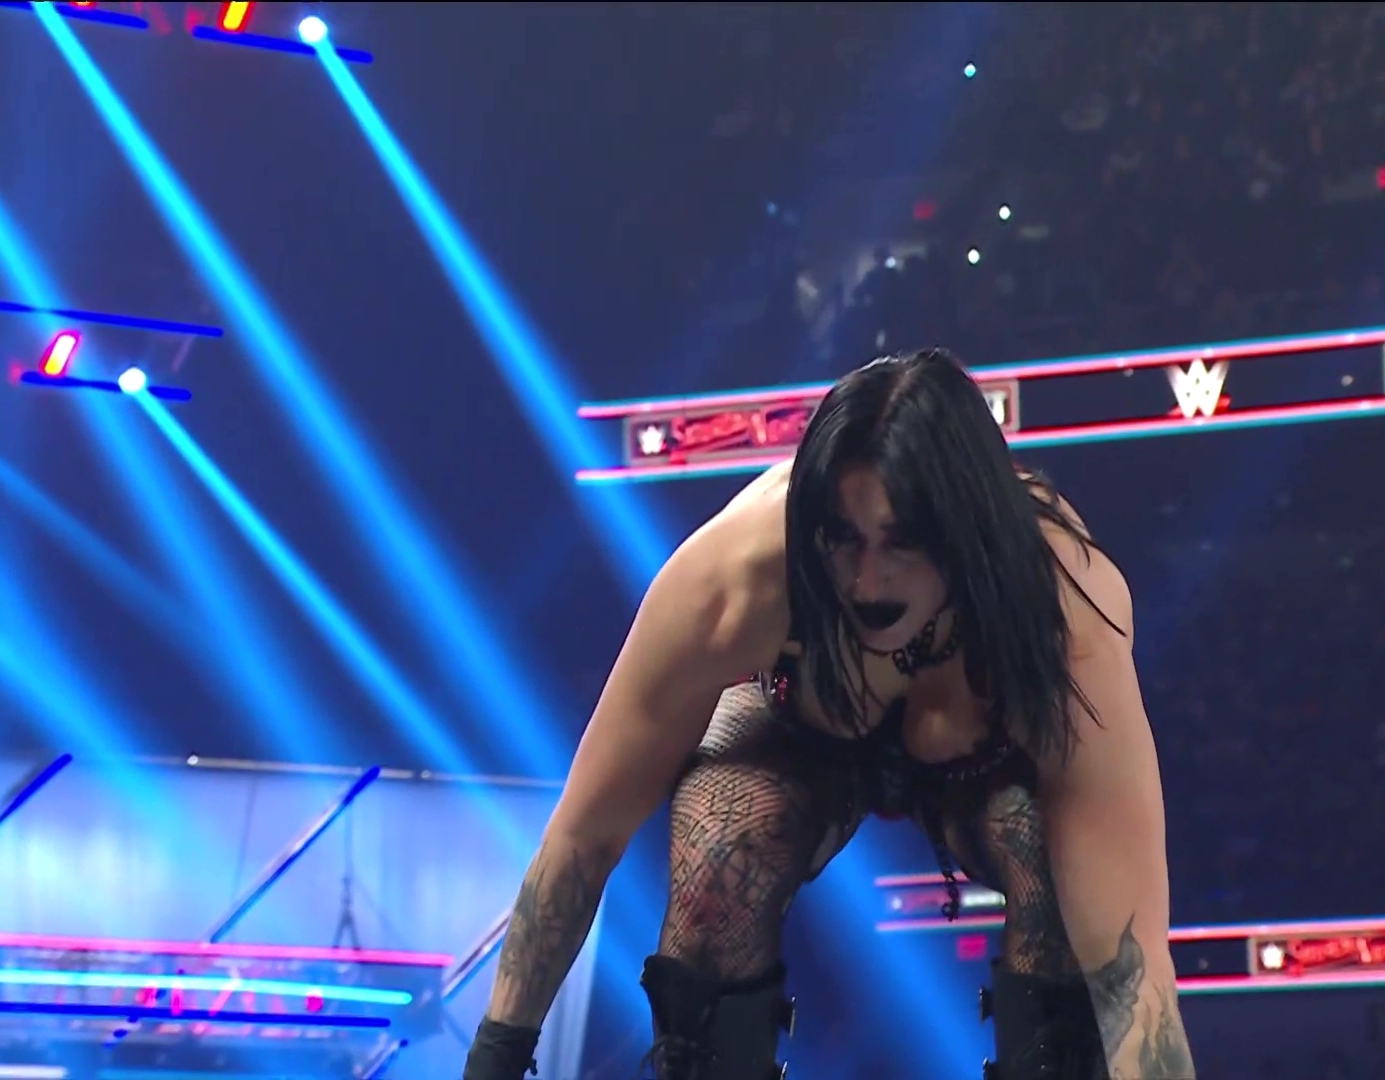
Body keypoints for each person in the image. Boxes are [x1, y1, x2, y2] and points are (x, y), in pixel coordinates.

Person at [463, 349, 1196, 1079]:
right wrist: (494, 1059)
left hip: (990, 760)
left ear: (966, 532)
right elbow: (584, 837)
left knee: (1069, 892)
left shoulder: (1063, 613)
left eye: (902, 542)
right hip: (797, 726)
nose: (868, 582)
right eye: (844, 538)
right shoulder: (732, 584)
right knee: (721, 841)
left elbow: (1131, 965)